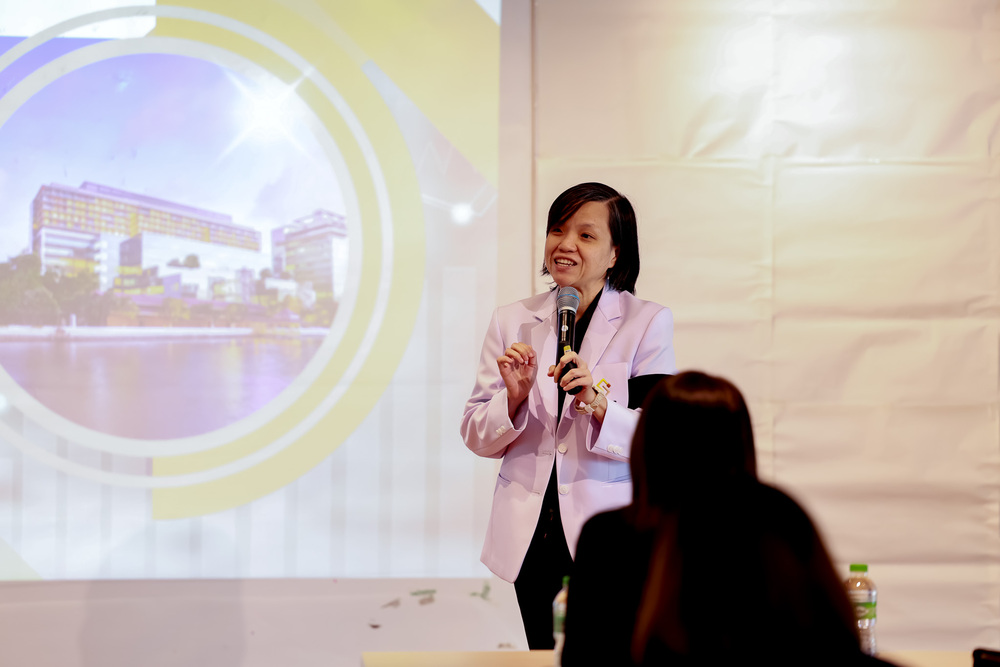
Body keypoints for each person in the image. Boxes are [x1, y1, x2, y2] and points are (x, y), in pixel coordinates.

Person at [460, 182, 676, 648]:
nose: (565, 244)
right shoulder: (512, 319)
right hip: (531, 534)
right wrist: (513, 399)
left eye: (586, 235)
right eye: (557, 230)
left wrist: (598, 404)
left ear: (616, 253)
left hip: (609, 537)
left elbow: (658, 439)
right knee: (545, 655)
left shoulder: (645, 322)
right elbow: (476, 435)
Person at [562, 372, 891, 666]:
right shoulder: (779, 518)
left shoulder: (609, 535)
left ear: (646, 444)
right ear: (741, 441)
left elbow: (581, 656)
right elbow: (837, 645)